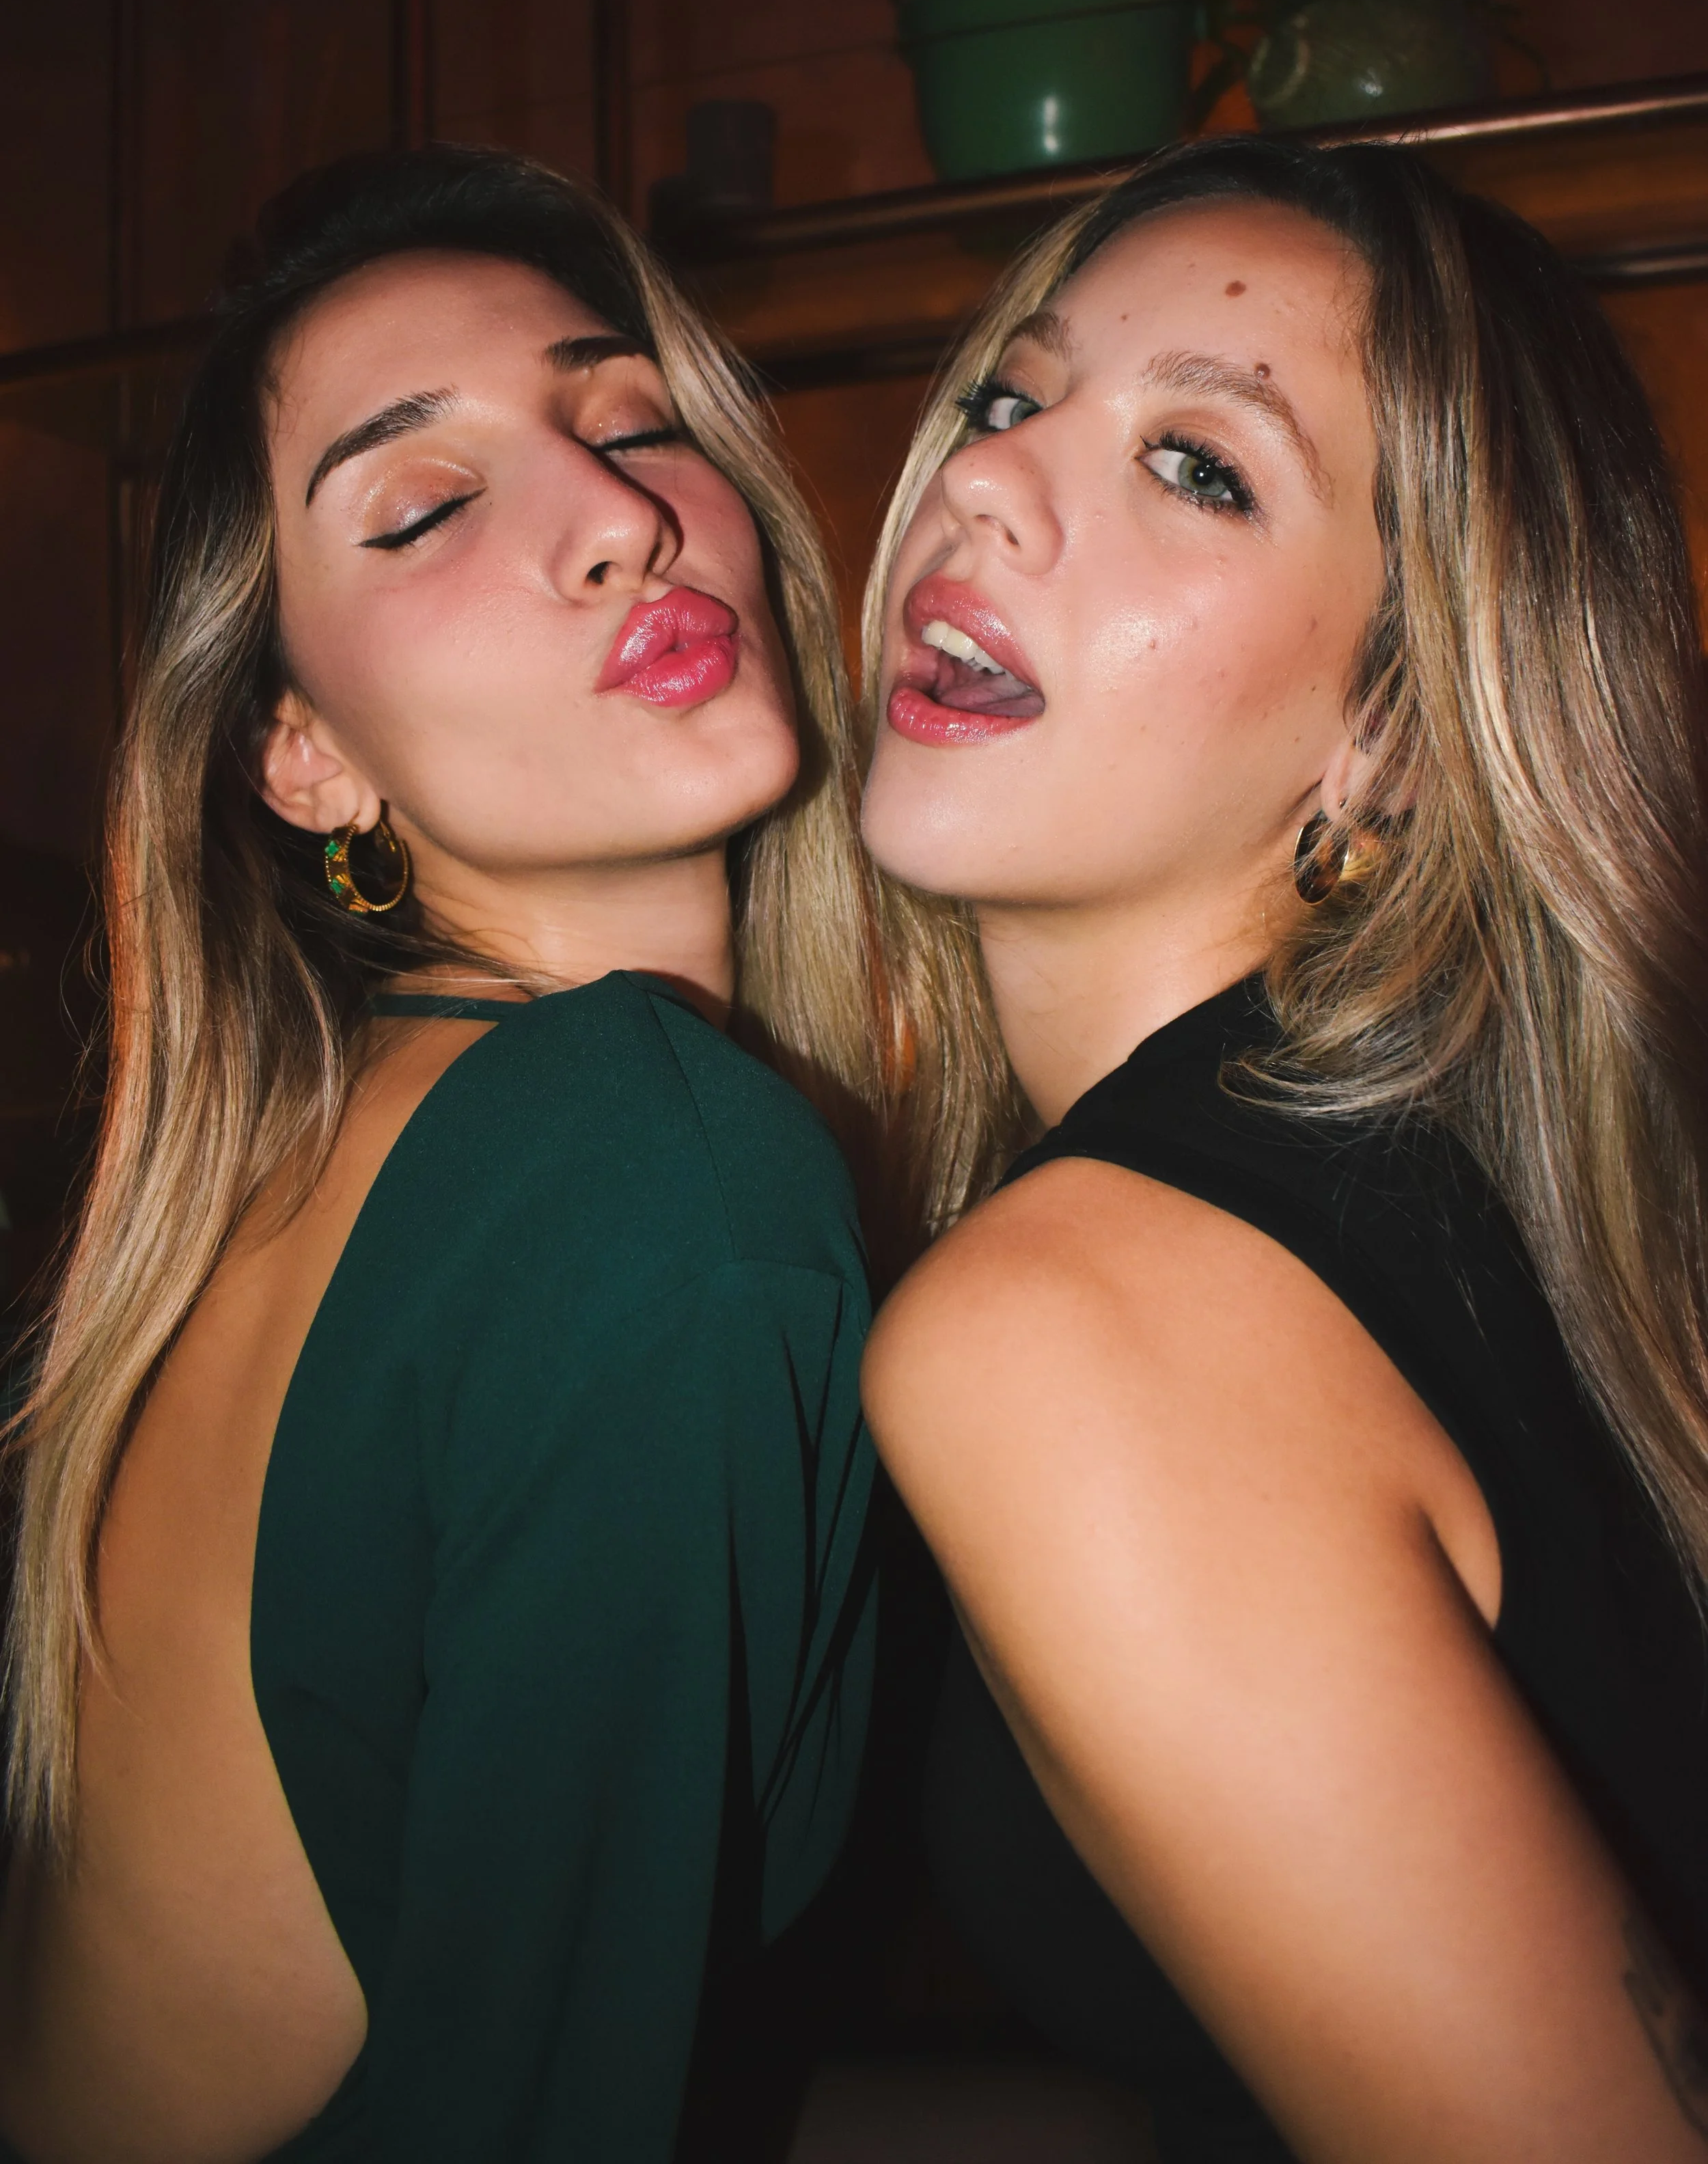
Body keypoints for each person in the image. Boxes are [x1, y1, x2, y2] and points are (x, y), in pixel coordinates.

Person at [0, 145, 881, 2164]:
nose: (621, 520)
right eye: (422, 504)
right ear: (303, 754)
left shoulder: (363, 1122)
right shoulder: (649, 1170)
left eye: (631, 418)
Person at [857, 134, 1708, 2163]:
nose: (982, 478)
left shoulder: (1075, 1317)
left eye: (1199, 465)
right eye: (1009, 394)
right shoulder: (1441, 1186)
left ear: (1391, 743)